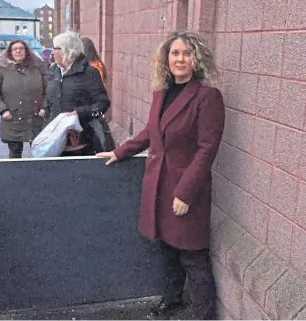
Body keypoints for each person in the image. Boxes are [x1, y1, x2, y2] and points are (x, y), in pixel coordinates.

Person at [96, 31, 225, 319]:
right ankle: (173, 300)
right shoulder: (162, 93)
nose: (180, 59)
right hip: (158, 186)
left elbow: (207, 150)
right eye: (174, 53)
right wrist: (121, 152)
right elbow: (150, 133)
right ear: (166, 59)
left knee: (192, 256)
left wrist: (186, 193)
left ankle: (204, 315)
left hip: (185, 190)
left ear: (197, 59)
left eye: (186, 53)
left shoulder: (207, 97)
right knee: (166, 249)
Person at [46, 31, 110, 156]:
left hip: (81, 140)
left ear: (67, 50)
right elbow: (48, 99)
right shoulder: (53, 71)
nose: (52, 52)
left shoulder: (89, 72)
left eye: (55, 48)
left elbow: (102, 103)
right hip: (55, 139)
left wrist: (79, 113)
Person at [0, 40, 48, 158]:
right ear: (10, 52)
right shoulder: (2, 69)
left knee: (40, 152)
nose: (18, 51)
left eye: (21, 48)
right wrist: (3, 110)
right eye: (15, 49)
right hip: (13, 119)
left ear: (27, 51)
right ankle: (15, 175)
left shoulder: (38, 67)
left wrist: (44, 107)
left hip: (36, 118)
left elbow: (48, 90)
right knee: (15, 153)